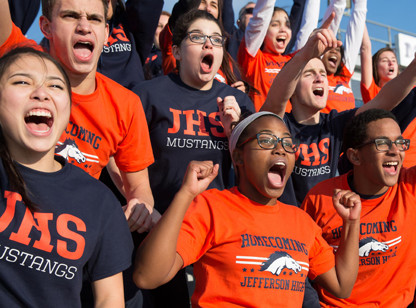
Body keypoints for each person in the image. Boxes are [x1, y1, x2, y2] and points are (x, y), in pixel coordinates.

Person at [134, 111, 362, 307]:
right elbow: (147, 276)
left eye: (287, 143)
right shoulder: (211, 206)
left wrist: (351, 224)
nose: (280, 149)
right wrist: (185, 194)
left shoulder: (301, 221)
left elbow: (341, 286)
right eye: (266, 140)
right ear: (238, 156)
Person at [137, 9, 254, 307]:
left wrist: (233, 132)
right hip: (159, 227)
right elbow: (122, 155)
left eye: (216, 39)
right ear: (175, 50)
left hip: (219, 235)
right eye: (198, 37)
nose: (208, 45)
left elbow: (255, 174)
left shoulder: (237, 100)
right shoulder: (147, 94)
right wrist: (142, 200)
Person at [0, 47, 133, 307]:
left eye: (56, 86)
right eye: (22, 82)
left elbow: (110, 299)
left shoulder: (100, 202)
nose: (41, 93)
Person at [258, 14, 416, 207]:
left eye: (323, 74)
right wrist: (305, 55)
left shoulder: (335, 124)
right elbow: (275, 101)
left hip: (325, 222)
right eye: (309, 74)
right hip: (289, 226)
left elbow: (383, 101)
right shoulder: (280, 124)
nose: (320, 79)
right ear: (293, 87)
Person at [302, 108, 416, 307]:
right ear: (355, 157)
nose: (395, 150)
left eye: (400, 143)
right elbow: (301, 267)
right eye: (382, 143)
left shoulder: (410, 185)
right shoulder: (320, 197)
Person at [159, 0, 247, 93]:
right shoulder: (176, 42)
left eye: (214, 5)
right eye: (202, 2)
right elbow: (179, 14)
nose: (208, 9)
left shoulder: (223, 57)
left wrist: (240, 91)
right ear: (177, 51)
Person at [295, 0, 367, 113]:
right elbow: (335, 11)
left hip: (348, 129)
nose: (334, 52)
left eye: (338, 50)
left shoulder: (344, 76)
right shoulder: (314, 78)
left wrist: (360, 3)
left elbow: (355, 32)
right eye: (330, 49)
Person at [237, 0, 298, 111]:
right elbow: (260, 19)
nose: (283, 29)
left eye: (287, 25)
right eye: (275, 24)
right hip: (262, 125)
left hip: (288, 127)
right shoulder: (254, 59)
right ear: (264, 31)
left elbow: (308, 28)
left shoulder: (293, 60)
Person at [144, 11, 171, 80]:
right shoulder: (142, 53)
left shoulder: (178, 56)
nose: (164, 30)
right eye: (159, 26)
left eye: (167, 27)